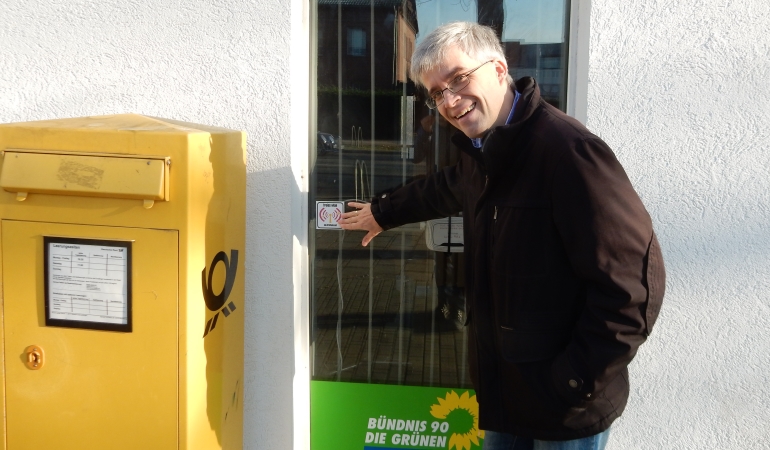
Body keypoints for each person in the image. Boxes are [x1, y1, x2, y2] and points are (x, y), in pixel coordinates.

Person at [339, 21, 665, 450]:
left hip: (564, 409)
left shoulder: (570, 154)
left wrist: (572, 379)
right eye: (437, 93)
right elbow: (446, 188)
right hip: (505, 395)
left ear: (498, 68)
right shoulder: (485, 151)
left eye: (458, 79)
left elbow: (633, 289)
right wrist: (383, 212)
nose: (450, 101)